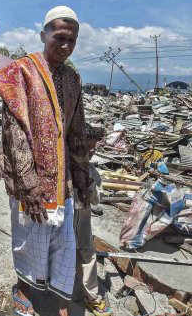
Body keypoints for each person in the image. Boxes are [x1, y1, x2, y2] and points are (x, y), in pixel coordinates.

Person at [0, 6, 91, 316]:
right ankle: (24, 289)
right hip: (28, 175)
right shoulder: (21, 70)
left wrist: (82, 174)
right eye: (58, 37)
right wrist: (29, 183)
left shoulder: (73, 78)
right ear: (43, 35)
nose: (65, 46)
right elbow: (14, 130)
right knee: (30, 237)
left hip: (63, 178)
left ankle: (58, 298)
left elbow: (76, 128)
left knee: (63, 240)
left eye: (71, 40)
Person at [74, 124, 111, 316]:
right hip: (63, 224)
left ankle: (91, 297)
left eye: (93, 148)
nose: (91, 151)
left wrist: (90, 188)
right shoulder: (65, 167)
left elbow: (98, 199)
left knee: (87, 256)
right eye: (87, 147)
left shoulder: (91, 170)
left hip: (82, 225)